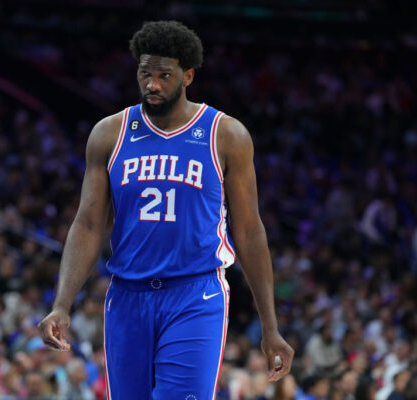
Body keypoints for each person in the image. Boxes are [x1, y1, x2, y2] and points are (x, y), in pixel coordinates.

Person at [38, 20, 294, 399]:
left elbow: (250, 230)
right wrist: (61, 303)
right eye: (145, 73)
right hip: (127, 295)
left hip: (195, 293)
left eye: (164, 75)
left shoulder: (226, 135)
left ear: (188, 75)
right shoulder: (110, 133)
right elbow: (89, 224)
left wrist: (270, 327)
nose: (152, 84)